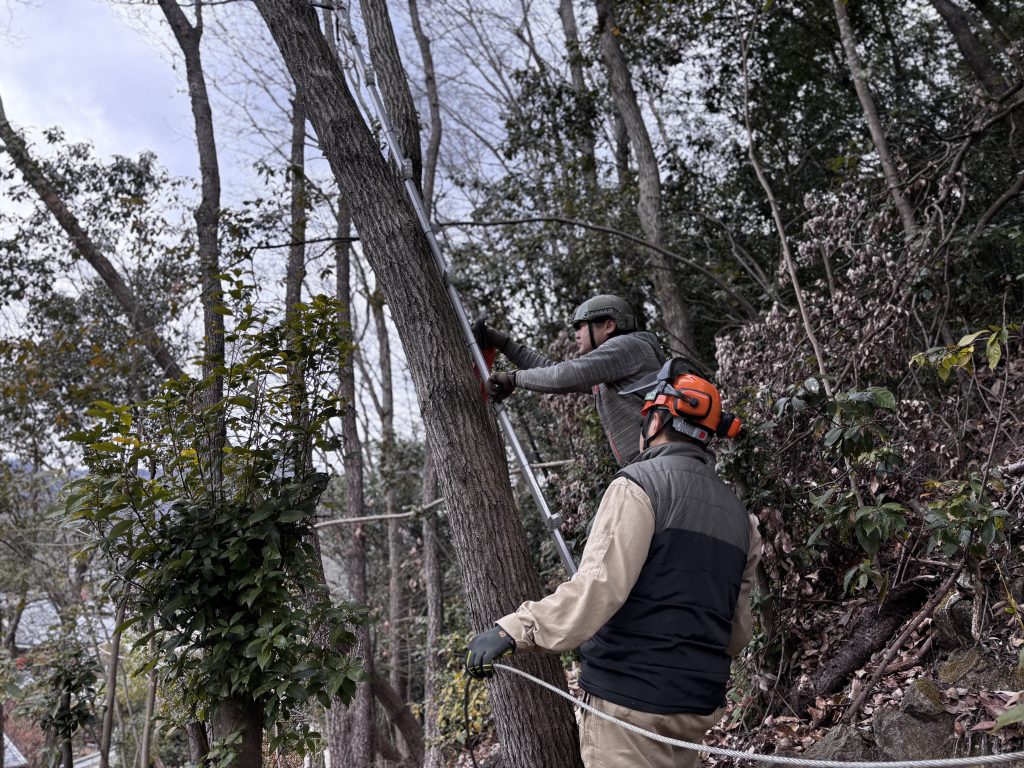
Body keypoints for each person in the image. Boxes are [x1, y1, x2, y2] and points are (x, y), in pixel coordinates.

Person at [464, 358, 762, 768]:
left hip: (629, 706)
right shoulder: (742, 519)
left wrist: (513, 629)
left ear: (656, 422)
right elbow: (737, 631)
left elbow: (597, 590)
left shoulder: (637, 488)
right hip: (694, 708)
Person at [473, 294, 666, 465]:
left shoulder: (627, 347)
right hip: (651, 462)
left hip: (658, 461)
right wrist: (505, 344)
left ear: (609, 325)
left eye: (581, 326)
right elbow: (551, 370)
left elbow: (562, 376)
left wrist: (513, 378)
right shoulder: (614, 367)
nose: (576, 334)